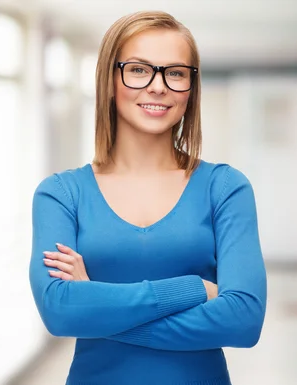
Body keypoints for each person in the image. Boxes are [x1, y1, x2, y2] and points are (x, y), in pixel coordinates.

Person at [28, 10, 267, 385]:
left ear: (191, 87)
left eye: (175, 73)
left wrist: (95, 305)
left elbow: (243, 321)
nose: (158, 87)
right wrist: (194, 289)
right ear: (109, 80)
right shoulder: (61, 195)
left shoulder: (225, 188)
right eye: (138, 70)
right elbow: (59, 312)